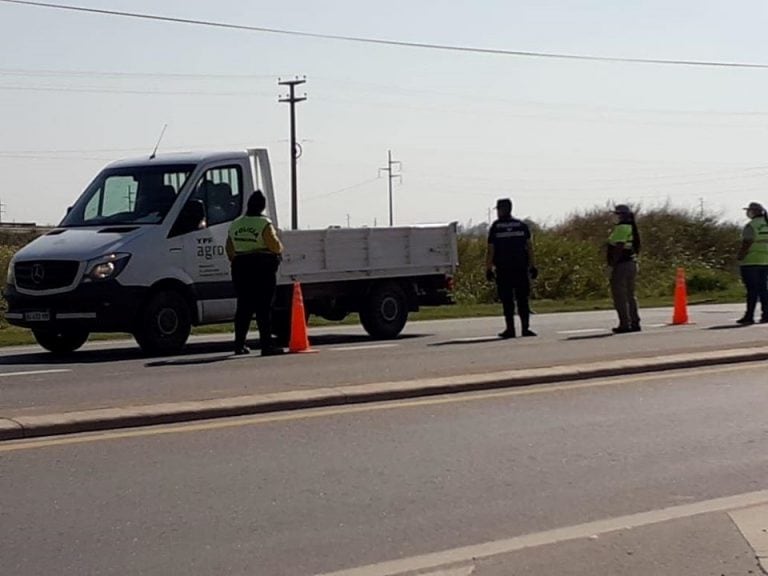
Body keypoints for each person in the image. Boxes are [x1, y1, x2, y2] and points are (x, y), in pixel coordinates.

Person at [226, 190, 285, 356]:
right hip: (262, 269)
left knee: (243, 308)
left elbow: (229, 249)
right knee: (263, 309)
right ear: (262, 207)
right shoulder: (264, 223)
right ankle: (266, 346)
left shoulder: (235, 224)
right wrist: (279, 251)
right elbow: (274, 246)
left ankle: (239, 345)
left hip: (240, 268)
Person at [485, 198, 538, 338]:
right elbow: (530, 247)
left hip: (504, 269)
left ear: (502, 210)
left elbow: (491, 250)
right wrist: (533, 266)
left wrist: (488, 269)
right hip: (521, 268)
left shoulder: (496, 227)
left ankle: (510, 329)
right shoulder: (521, 225)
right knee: (523, 299)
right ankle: (525, 329)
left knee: (507, 300)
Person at [607, 204, 641, 334]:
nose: (614, 216)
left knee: (620, 295)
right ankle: (635, 322)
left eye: (616, 214)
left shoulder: (622, 228)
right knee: (630, 295)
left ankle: (624, 324)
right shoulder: (631, 227)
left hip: (621, 265)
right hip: (631, 263)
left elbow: (619, 247)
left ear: (621, 215)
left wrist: (611, 265)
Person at [736, 201, 768, 325]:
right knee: (763, 289)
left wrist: (740, 256)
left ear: (753, 212)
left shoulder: (752, 225)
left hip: (751, 260)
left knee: (752, 290)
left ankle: (749, 316)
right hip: (765, 260)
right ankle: (766, 314)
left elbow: (747, 243)